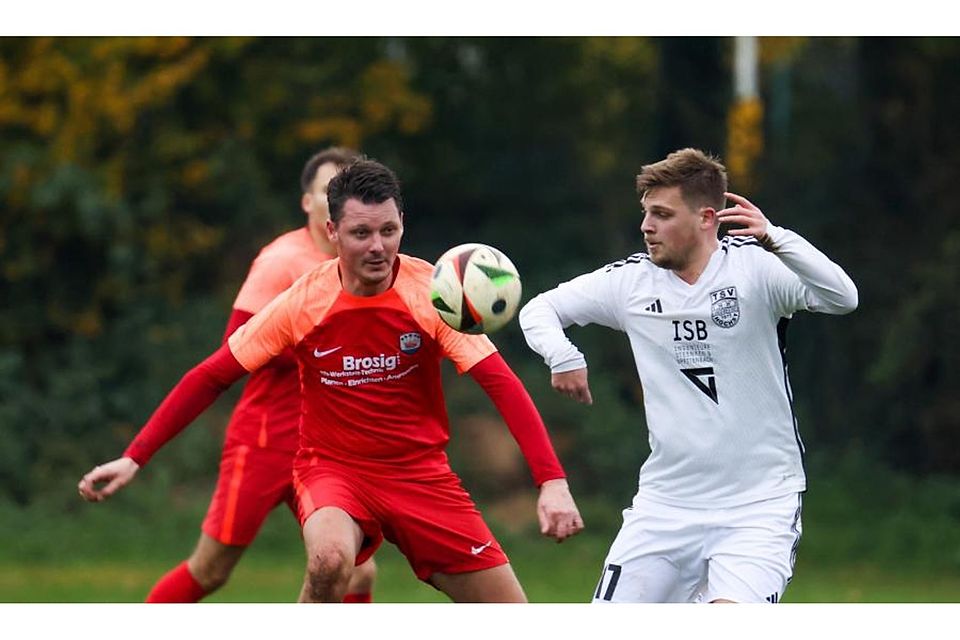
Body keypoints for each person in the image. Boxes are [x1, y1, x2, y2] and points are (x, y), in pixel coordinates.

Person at [80, 157, 584, 603]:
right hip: (333, 469)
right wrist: (135, 456)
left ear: (402, 224)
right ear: (332, 231)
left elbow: (501, 384)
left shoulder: (432, 295)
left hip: (420, 474)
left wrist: (552, 482)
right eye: (361, 233)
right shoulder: (304, 300)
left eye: (388, 231)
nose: (378, 247)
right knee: (329, 561)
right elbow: (212, 376)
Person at [519, 148, 858, 604]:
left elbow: (842, 297)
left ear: (706, 218)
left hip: (759, 506)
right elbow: (540, 309)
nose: (647, 226)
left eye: (662, 214)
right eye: (646, 213)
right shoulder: (631, 282)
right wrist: (562, 355)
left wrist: (776, 238)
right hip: (666, 506)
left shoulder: (756, 268)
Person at [78, 147, 377, 603]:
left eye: (347, 191)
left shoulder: (365, 263)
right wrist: (318, 345)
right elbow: (233, 349)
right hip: (264, 443)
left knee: (356, 571)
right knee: (211, 569)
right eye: (328, 191)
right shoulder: (281, 261)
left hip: (323, 448)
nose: (338, 200)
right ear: (307, 203)